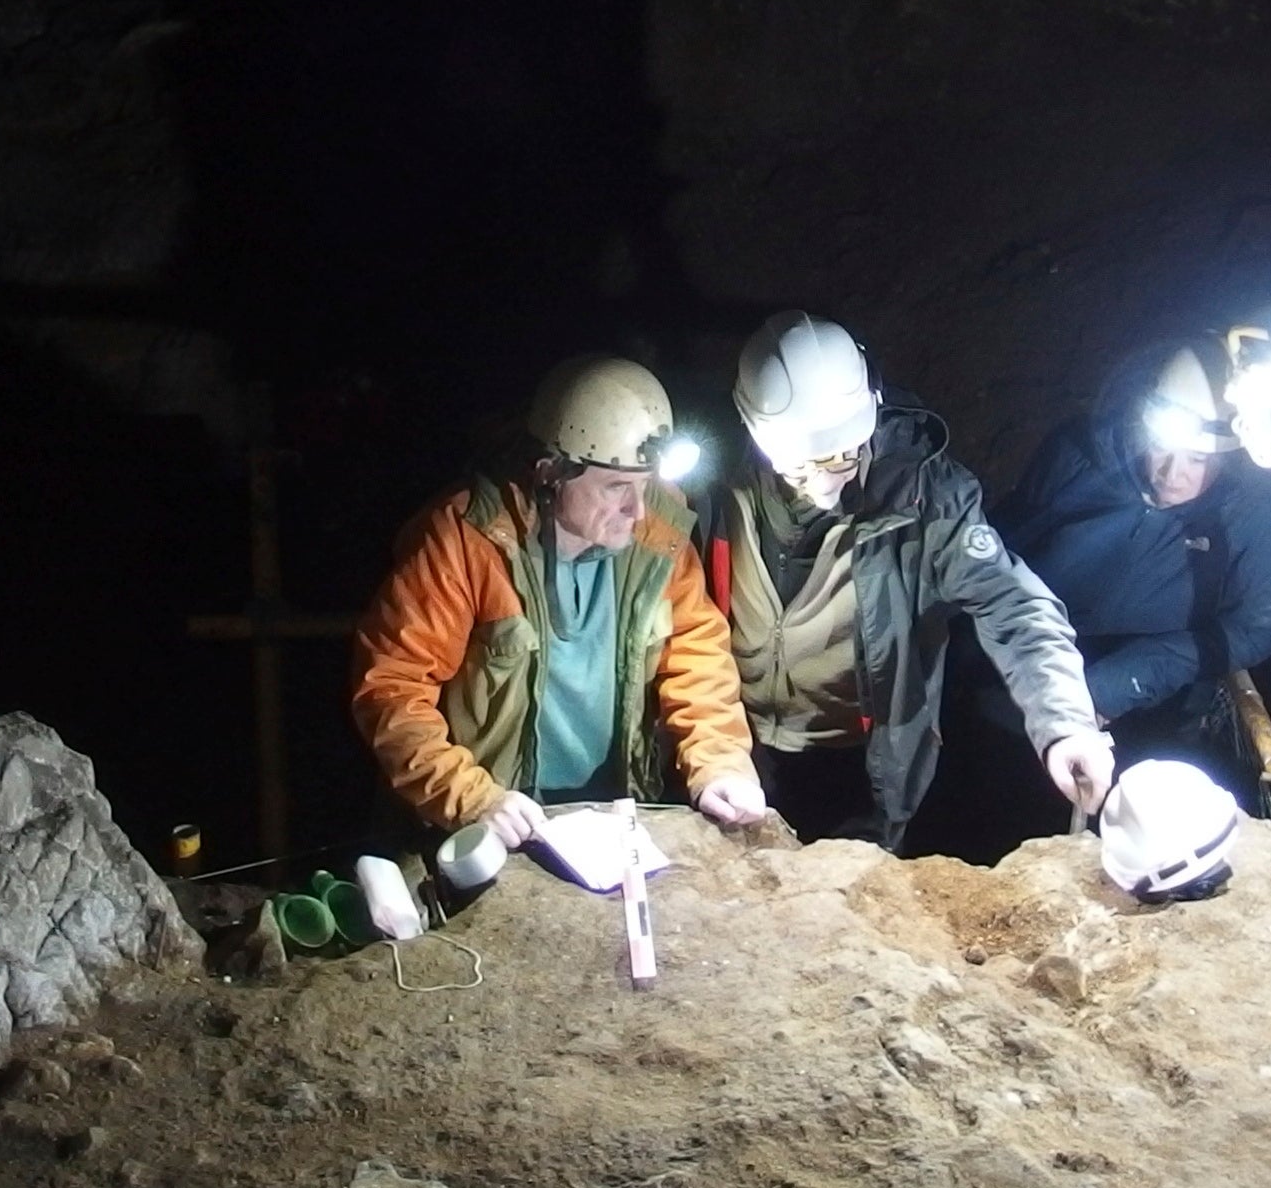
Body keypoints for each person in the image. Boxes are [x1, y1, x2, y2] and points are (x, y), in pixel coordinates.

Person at [716, 310, 1112, 847]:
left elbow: (1013, 605)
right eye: (798, 465)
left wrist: (1065, 722)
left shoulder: (924, 498)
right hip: (734, 748)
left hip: (856, 764)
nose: (819, 483)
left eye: (839, 457)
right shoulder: (717, 479)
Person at [349, 356, 770, 848]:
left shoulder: (659, 527)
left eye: (645, 485)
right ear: (551, 474)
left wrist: (719, 762)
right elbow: (392, 688)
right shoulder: (464, 541)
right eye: (616, 488)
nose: (636, 510)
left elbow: (696, 653)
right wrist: (470, 798)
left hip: (614, 813)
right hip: (497, 819)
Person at [994, 342, 1271, 799]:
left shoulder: (1255, 509)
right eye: (1163, 448)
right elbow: (1006, 546)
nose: (1172, 473)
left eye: (1199, 459)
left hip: (1157, 712)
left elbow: (1257, 628)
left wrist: (1120, 682)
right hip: (1027, 675)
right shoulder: (1079, 453)